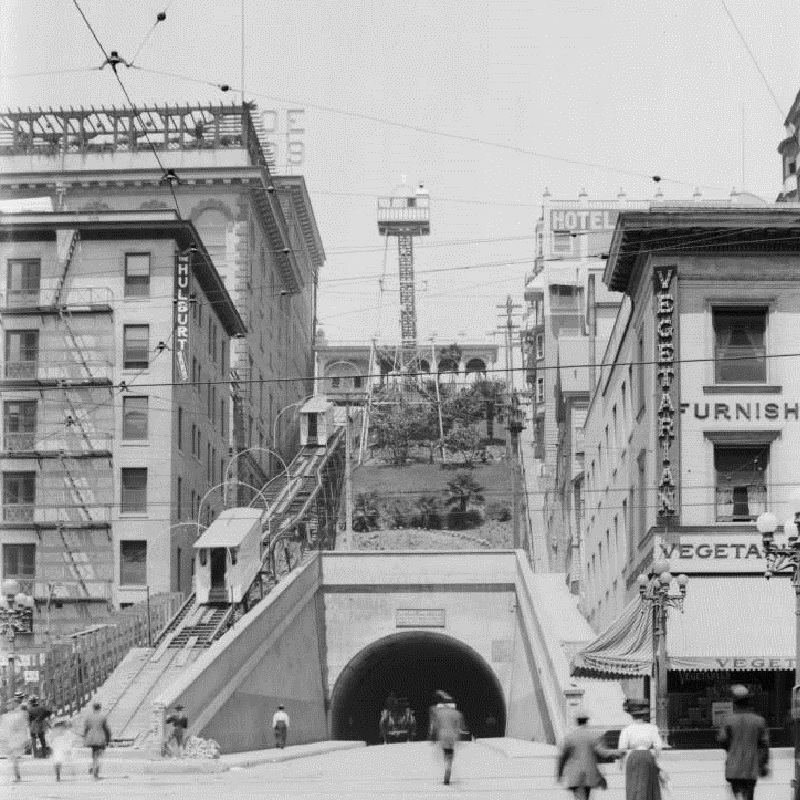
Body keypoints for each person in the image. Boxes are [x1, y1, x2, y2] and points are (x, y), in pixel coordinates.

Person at [717, 684, 770, 800]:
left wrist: (731, 749)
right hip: (751, 767)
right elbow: (765, 745)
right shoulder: (759, 721)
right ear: (749, 701)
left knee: (736, 796)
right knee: (749, 796)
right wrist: (764, 763)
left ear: (734, 702)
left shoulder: (728, 720)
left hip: (733, 767)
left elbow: (721, 741)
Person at [556, 706, 619, 799]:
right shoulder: (594, 736)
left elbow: (562, 758)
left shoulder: (569, 738)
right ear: (587, 721)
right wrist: (617, 753)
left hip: (574, 776)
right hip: (589, 775)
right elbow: (603, 752)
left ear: (576, 721)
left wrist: (559, 774)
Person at [617, 701, 663, 800]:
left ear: (632, 716)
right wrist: (656, 761)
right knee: (649, 784)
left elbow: (622, 748)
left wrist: (621, 762)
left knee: (634, 784)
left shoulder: (627, 729)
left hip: (634, 757)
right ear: (643, 716)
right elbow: (658, 746)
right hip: (648, 756)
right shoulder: (652, 728)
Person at [428, 690, 467, 786]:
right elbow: (462, 726)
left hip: (443, 735)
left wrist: (433, 736)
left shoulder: (439, 713)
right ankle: (448, 766)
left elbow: (435, 725)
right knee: (450, 753)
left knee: (445, 752)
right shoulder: (456, 713)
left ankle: (447, 765)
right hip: (452, 735)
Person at [0, 695, 29, 782]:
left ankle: (17, 776)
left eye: (10, 703)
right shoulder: (9, 715)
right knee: (13, 758)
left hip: (16, 738)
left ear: (15, 704)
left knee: (14, 757)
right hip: (11, 738)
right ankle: (17, 775)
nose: (8, 705)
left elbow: (22, 726)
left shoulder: (20, 714)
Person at [82, 701, 111, 780]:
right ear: (100, 708)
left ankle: (94, 769)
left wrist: (85, 738)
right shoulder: (102, 717)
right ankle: (95, 771)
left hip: (91, 738)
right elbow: (106, 729)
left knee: (94, 754)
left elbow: (86, 729)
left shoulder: (88, 717)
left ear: (93, 708)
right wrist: (108, 738)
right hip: (100, 738)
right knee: (98, 755)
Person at [50, 717, 76, 781]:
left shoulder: (55, 731)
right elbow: (70, 740)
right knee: (58, 762)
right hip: (60, 748)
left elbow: (51, 741)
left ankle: (58, 775)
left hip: (58, 748)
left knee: (58, 762)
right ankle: (58, 775)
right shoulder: (65, 731)